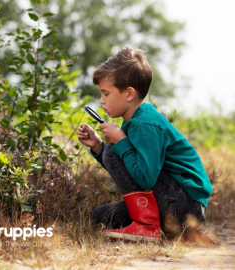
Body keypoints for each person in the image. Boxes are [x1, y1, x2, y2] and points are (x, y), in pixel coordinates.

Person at [77, 47, 213, 243]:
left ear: (129, 94)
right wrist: (99, 147)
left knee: (115, 150)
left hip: (185, 203)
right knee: (102, 216)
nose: (101, 100)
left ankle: (148, 226)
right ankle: (181, 233)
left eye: (106, 93)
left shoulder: (146, 124)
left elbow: (146, 179)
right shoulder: (134, 120)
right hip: (171, 200)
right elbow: (126, 170)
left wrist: (120, 142)